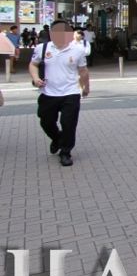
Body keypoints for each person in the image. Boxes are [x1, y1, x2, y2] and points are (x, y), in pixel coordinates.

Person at [29, 20, 90, 167]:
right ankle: (57, 138)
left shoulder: (78, 50)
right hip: (48, 93)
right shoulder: (42, 48)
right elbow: (33, 64)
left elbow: (83, 70)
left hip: (71, 92)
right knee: (46, 121)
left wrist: (86, 87)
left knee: (68, 124)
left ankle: (65, 152)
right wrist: (36, 78)